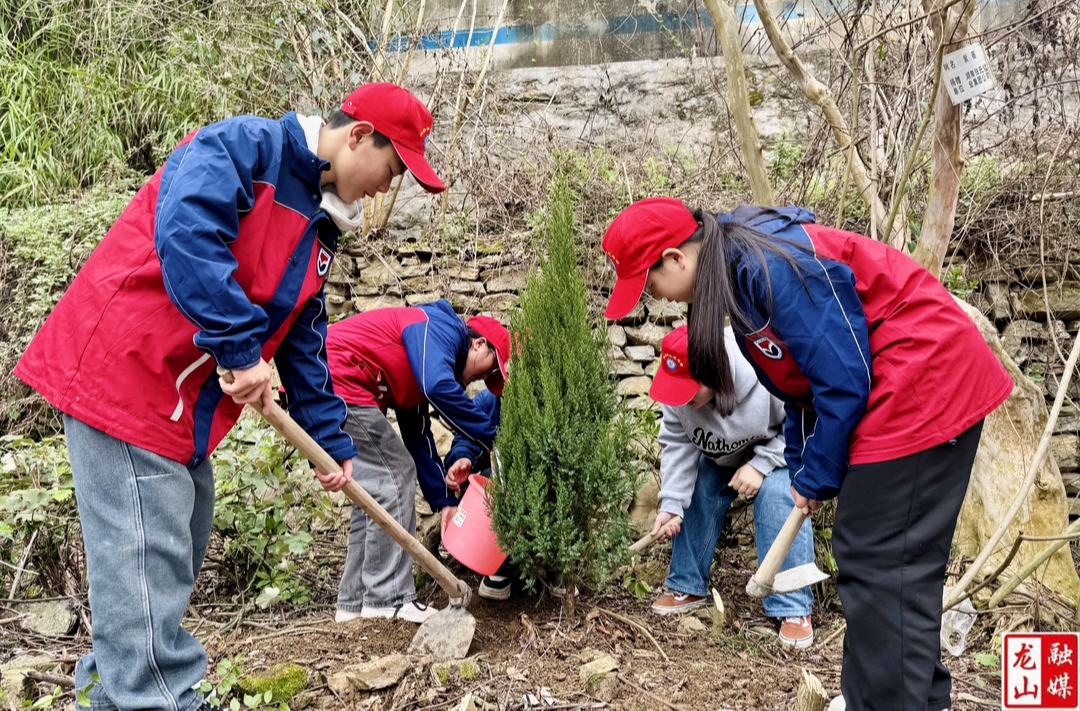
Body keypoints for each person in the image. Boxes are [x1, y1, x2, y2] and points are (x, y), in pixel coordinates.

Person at [13, 82, 445, 711]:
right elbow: (188, 233)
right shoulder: (246, 149)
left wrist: (331, 441)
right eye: (394, 167)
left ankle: (112, 693)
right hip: (125, 379)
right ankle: (161, 698)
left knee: (169, 558)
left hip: (179, 410)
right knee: (148, 562)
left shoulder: (319, 226)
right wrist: (241, 350)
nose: (389, 186)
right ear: (358, 136)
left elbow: (302, 335)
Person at [601, 198, 1012, 711]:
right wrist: (802, 466)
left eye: (649, 283)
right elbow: (798, 384)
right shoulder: (738, 278)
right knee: (889, 566)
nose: (655, 298)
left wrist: (817, 474)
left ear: (676, 258)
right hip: (894, 379)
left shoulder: (767, 268)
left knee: (877, 556)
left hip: (923, 375)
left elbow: (841, 377)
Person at [325, 300, 509, 623]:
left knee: (371, 495)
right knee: (395, 475)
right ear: (479, 344)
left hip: (331, 382)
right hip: (340, 379)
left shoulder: (419, 364)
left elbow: (419, 437)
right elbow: (438, 386)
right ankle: (387, 597)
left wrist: (445, 500)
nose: (483, 379)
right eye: (491, 369)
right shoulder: (441, 328)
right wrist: (493, 439)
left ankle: (352, 605)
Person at [647, 324, 815, 648]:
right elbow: (678, 445)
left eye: (690, 389)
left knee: (778, 495)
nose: (682, 399)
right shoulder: (676, 392)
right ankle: (687, 584)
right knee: (698, 485)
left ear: (714, 371)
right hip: (722, 456)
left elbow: (801, 425)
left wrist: (760, 465)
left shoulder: (763, 370)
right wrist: (671, 505)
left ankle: (793, 606)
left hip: (781, 452)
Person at [443, 388, 511, 600]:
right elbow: (467, 437)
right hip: (504, 490)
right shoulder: (488, 401)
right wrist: (463, 458)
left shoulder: (554, 394)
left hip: (541, 497)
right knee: (490, 479)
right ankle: (499, 569)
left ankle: (555, 569)